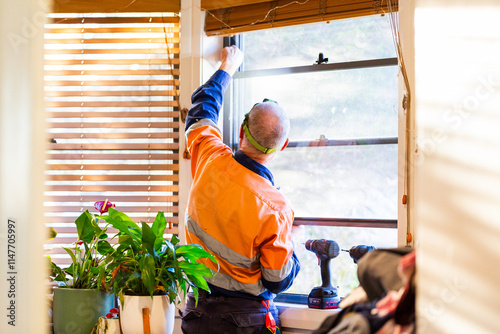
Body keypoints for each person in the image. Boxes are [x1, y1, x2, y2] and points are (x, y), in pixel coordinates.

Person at [181, 45, 301, 334]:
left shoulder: (209, 159)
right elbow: (276, 280)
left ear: (240, 132)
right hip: (244, 322)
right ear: (281, 146)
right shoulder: (276, 208)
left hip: (196, 314)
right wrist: (292, 248)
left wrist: (227, 68)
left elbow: (200, 112)